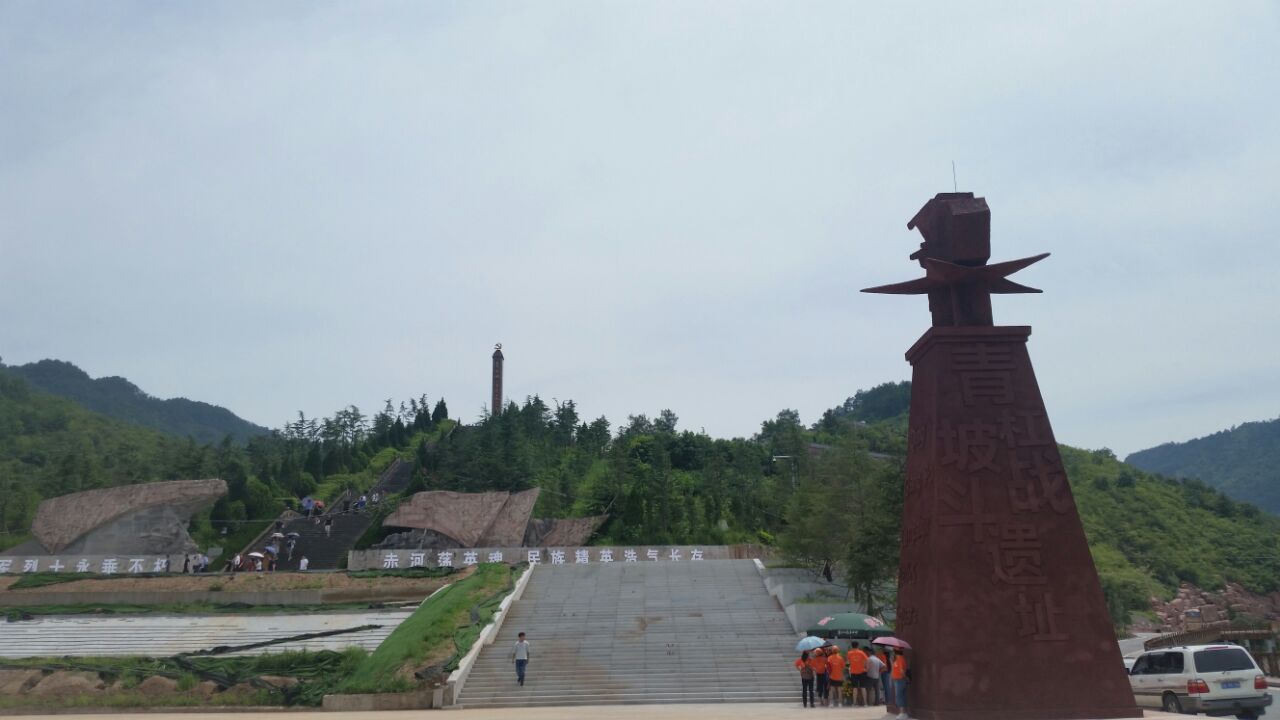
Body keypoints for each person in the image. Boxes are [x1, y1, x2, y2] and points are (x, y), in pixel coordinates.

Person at [892, 649, 909, 720]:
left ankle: (902, 713)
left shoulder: (900, 659)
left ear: (895, 652)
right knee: (901, 695)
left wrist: (905, 677)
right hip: (898, 679)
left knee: (899, 695)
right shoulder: (898, 659)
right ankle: (903, 713)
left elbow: (902, 670)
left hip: (899, 679)